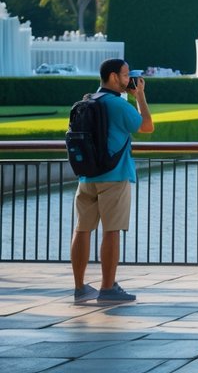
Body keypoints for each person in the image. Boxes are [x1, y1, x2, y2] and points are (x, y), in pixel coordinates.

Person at [70, 58, 154, 304]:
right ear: (114, 77)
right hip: (114, 176)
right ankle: (107, 288)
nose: (130, 80)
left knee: (82, 229)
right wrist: (140, 96)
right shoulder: (117, 105)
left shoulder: (88, 100)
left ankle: (79, 288)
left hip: (87, 175)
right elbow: (147, 126)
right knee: (111, 231)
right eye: (126, 75)